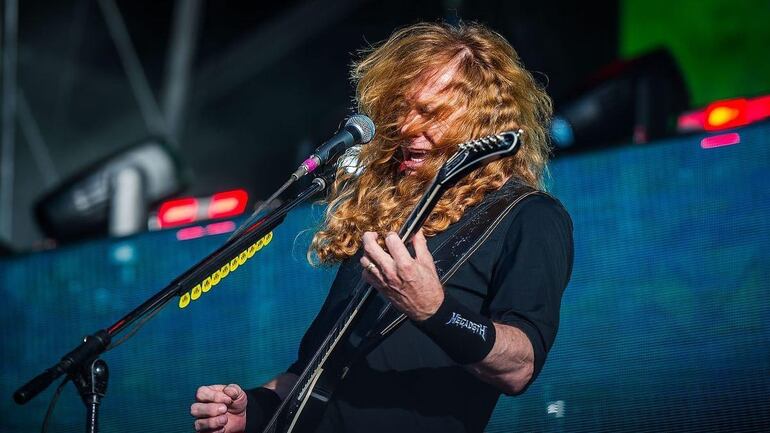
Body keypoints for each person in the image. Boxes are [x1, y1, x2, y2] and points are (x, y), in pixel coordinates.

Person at [191, 21, 573, 433]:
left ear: (480, 121)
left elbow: (520, 366)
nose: (407, 126)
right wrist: (254, 410)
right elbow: (314, 377)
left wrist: (436, 311)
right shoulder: (388, 222)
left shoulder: (528, 216)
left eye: (429, 112)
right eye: (401, 109)